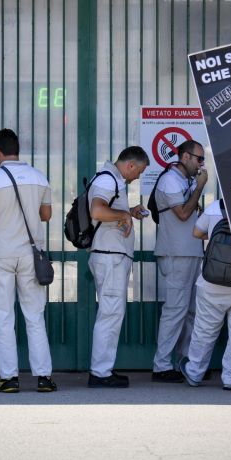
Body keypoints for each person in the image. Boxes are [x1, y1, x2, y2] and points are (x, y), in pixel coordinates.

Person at [0, 129, 56, 393]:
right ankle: (43, 377)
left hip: (1, 254)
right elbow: (46, 215)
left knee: (3, 316)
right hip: (31, 255)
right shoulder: (39, 177)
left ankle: (9, 378)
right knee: (34, 316)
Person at [178, 200, 231, 390]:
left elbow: (196, 233)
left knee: (204, 330)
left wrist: (215, 234)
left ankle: (194, 372)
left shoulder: (216, 207)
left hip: (211, 282)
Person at [87, 146, 149, 388]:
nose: (139, 176)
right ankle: (101, 373)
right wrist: (123, 216)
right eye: (140, 171)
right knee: (110, 315)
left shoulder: (112, 180)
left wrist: (128, 212)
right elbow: (97, 210)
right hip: (110, 257)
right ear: (130, 165)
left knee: (111, 313)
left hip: (112, 256)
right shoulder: (107, 179)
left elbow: (106, 210)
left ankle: (103, 370)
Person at [150, 140, 208, 383]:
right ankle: (161, 365)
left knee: (192, 312)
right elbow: (183, 214)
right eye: (198, 159)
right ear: (185, 157)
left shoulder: (187, 180)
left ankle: (186, 362)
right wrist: (199, 189)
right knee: (175, 310)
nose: (201, 164)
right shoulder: (170, 180)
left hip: (192, 251)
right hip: (176, 253)